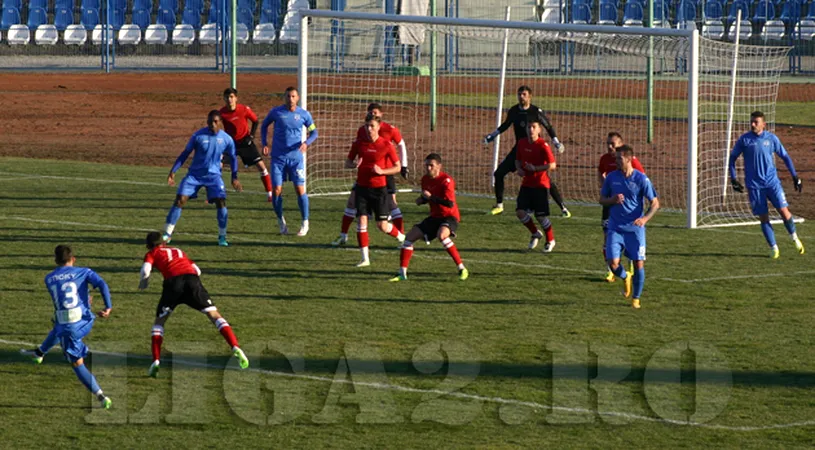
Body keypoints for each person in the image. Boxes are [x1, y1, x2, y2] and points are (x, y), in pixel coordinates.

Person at [138, 232, 249, 378]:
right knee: (214, 315)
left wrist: (144, 282)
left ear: (148, 245)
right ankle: (235, 346)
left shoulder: (151, 253)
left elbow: (146, 270)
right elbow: (198, 270)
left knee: (159, 322)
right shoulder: (178, 250)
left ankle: (156, 361)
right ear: (164, 243)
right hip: (192, 280)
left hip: (173, 284)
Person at [20, 245, 113, 409]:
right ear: (73, 259)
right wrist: (108, 306)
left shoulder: (48, 278)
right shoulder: (84, 272)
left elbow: (63, 300)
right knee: (58, 322)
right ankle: (39, 353)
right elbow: (102, 284)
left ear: (55, 261)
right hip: (86, 321)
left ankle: (101, 396)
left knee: (77, 362)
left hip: (70, 328)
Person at [483, 85, 569, 217]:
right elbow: (505, 125)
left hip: (535, 149)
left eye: (524, 94)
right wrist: (492, 135)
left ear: (530, 96)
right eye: (519, 94)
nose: (521, 97)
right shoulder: (513, 111)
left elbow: (548, 126)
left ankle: (563, 208)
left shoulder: (535, 111)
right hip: (519, 149)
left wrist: (556, 142)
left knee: (544, 179)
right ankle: (499, 205)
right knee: (499, 173)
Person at [729, 111, 804, 259]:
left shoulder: (771, 139)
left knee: (784, 212)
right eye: (751, 121)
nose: (752, 124)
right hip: (754, 186)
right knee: (764, 217)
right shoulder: (744, 140)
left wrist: (795, 176)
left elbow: (785, 156)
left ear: (764, 124)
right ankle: (774, 248)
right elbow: (732, 159)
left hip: (772, 183)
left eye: (756, 122)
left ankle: (794, 238)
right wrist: (733, 179)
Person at [332, 102, 409, 246]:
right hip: (366, 176)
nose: (372, 115)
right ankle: (343, 235)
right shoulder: (362, 130)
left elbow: (401, 145)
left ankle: (402, 237)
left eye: (375, 113)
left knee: (392, 203)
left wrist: (404, 165)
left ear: (381, 115)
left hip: (385, 173)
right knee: (352, 201)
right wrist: (356, 164)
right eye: (370, 112)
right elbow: (357, 149)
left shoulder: (390, 129)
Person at [162, 110, 243, 247]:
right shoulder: (198, 136)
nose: (213, 124)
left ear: (220, 123)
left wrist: (234, 177)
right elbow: (185, 153)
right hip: (195, 175)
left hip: (214, 176)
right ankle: (167, 234)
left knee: (221, 202)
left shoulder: (226, 139)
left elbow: (234, 157)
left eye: (216, 122)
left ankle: (222, 236)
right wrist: (173, 170)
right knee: (180, 199)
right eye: (210, 121)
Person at [390, 153, 468, 282]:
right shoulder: (425, 179)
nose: (428, 168)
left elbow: (449, 203)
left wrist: (430, 197)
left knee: (442, 235)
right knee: (409, 238)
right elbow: (429, 197)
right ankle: (402, 273)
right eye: (427, 165)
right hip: (434, 217)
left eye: (431, 165)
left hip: (449, 217)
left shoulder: (446, 181)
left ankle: (462, 268)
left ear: (439, 166)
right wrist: (422, 200)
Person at [600, 145, 660, 309]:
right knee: (612, 263)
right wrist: (612, 200)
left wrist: (645, 219)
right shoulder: (611, 178)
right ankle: (625, 276)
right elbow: (601, 199)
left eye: (619, 158)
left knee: (639, 263)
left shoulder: (641, 179)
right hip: (615, 227)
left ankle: (636, 299)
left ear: (629, 159)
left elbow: (655, 203)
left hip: (634, 229)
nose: (616, 161)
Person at [345, 113, 405, 267]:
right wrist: (354, 165)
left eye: (372, 126)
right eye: (367, 126)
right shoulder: (359, 143)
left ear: (379, 127)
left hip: (379, 190)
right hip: (362, 188)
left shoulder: (386, 145)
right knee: (361, 221)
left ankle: (401, 237)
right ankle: (365, 258)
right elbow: (347, 163)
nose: (369, 129)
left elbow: (397, 167)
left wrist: (382, 172)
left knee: (382, 226)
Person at [261, 86, 318, 236]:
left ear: (297, 98)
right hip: (278, 159)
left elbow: (314, 132)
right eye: (288, 96)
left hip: (296, 159)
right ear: (284, 97)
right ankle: (281, 222)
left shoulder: (304, 115)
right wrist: (264, 143)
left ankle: (305, 223)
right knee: (276, 190)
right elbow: (264, 125)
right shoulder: (276, 112)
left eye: (293, 96)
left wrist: (306, 143)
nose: (290, 99)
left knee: (300, 190)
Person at [597, 132, 646, 282]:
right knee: (607, 236)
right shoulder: (605, 159)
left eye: (613, 144)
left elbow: (640, 178)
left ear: (621, 145)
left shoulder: (631, 161)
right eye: (608, 144)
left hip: (627, 209)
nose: (610, 147)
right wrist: (604, 185)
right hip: (610, 203)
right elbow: (600, 171)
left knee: (629, 238)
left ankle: (631, 264)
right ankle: (611, 270)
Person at [219, 87, 273, 201]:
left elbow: (255, 121)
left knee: (261, 167)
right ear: (224, 98)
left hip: (245, 142)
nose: (229, 99)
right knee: (218, 165)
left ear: (236, 98)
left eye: (232, 97)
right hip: (230, 144)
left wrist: (251, 136)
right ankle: (215, 194)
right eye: (227, 97)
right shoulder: (222, 113)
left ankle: (270, 194)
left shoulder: (244, 109)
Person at [514, 112, 557, 253]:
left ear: (539, 129)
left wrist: (536, 168)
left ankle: (550, 240)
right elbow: (517, 159)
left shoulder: (543, 145)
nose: (530, 129)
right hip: (526, 184)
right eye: (528, 127)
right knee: (520, 212)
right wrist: (519, 169)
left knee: (540, 215)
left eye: (533, 127)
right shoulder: (521, 143)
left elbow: (552, 165)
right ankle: (535, 233)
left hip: (540, 185)